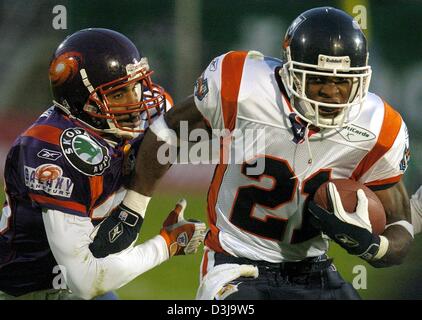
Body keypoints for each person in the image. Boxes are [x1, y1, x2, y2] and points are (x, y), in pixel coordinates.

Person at [112, 7, 414, 300]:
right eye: (319, 79)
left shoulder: (378, 125)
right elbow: (168, 130)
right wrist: (134, 207)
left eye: (343, 82)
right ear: (292, 71)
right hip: (236, 265)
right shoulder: (244, 85)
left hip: (316, 270)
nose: (331, 93)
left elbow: (400, 223)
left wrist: (376, 247)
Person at [0, 28, 206, 300]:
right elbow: (86, 281)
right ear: (81, 102)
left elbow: (197, 125)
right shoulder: (51, 150)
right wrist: (167, 244)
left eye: (136, 86)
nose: (135, 102)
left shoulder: (143, 113)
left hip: (82, 273)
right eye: (119, 94)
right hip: (25, 291)